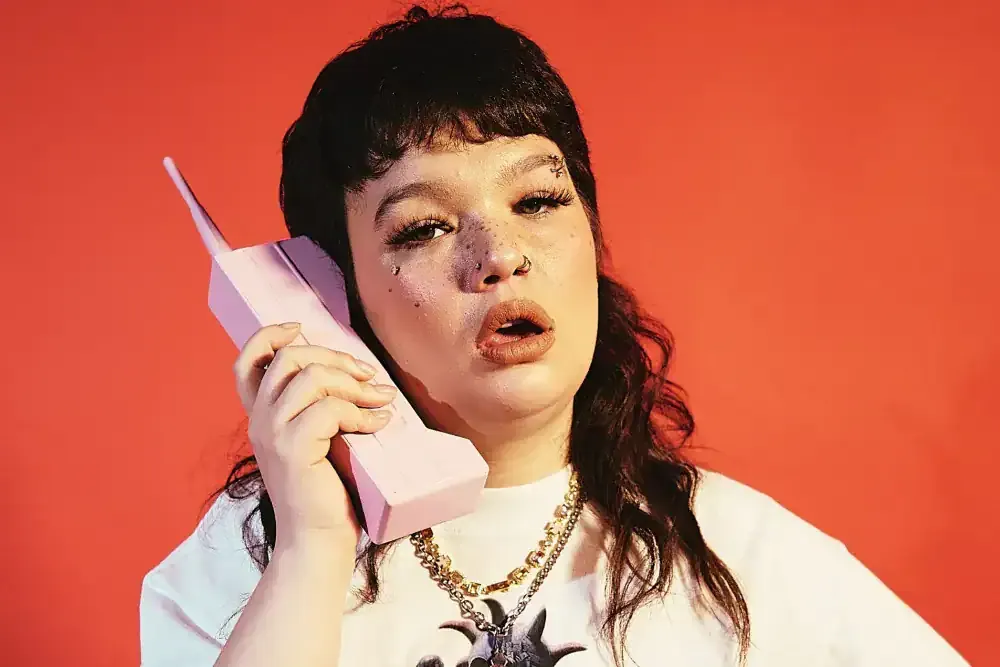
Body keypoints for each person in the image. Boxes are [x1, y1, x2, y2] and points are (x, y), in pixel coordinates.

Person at [138, 5, 970, 666]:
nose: (499, 256)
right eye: (423, 227)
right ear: (333, 298)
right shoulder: (238, 570)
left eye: (537, 201)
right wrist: (311, 551)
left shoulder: (747, 559)